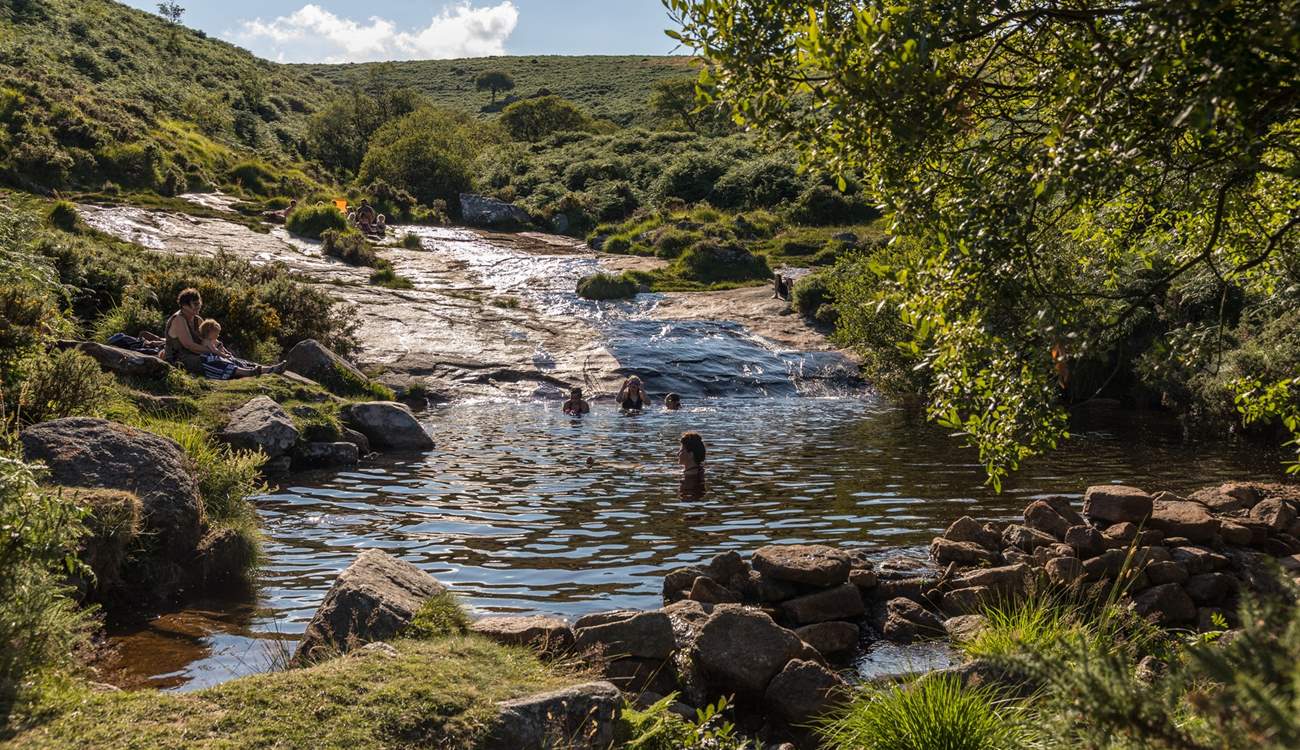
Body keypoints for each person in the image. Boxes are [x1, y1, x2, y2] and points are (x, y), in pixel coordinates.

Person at [197, 319, 286, 379]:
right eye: (216, 334)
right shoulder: (207, 341)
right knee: (227, 364)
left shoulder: (212, 339)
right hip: (211, 361)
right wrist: (224, 355)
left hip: (218, 357)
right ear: (208, 332)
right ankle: (249, 372)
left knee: (237, 361)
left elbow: (220, 346)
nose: (217, 336)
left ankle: (269, 369)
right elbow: (215, 351)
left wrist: (226, 352)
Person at [163, 288, 209, 374]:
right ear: (184, 306)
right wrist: (212, 351)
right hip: (177, 359)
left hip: (193, 356)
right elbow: (189, 345)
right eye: (195, 304)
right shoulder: (178, 319)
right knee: (212, 360)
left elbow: (209, 338)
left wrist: (220, 349)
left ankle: (241, 370)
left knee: (227, 359)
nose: (198, 306)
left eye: (199, 303)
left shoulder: (197, 319)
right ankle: (241, 373)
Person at [678, 431, 706, 498]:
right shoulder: (699, 470)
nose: (678, 453)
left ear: (690, 455)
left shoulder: (689, 475)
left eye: (681, 450)